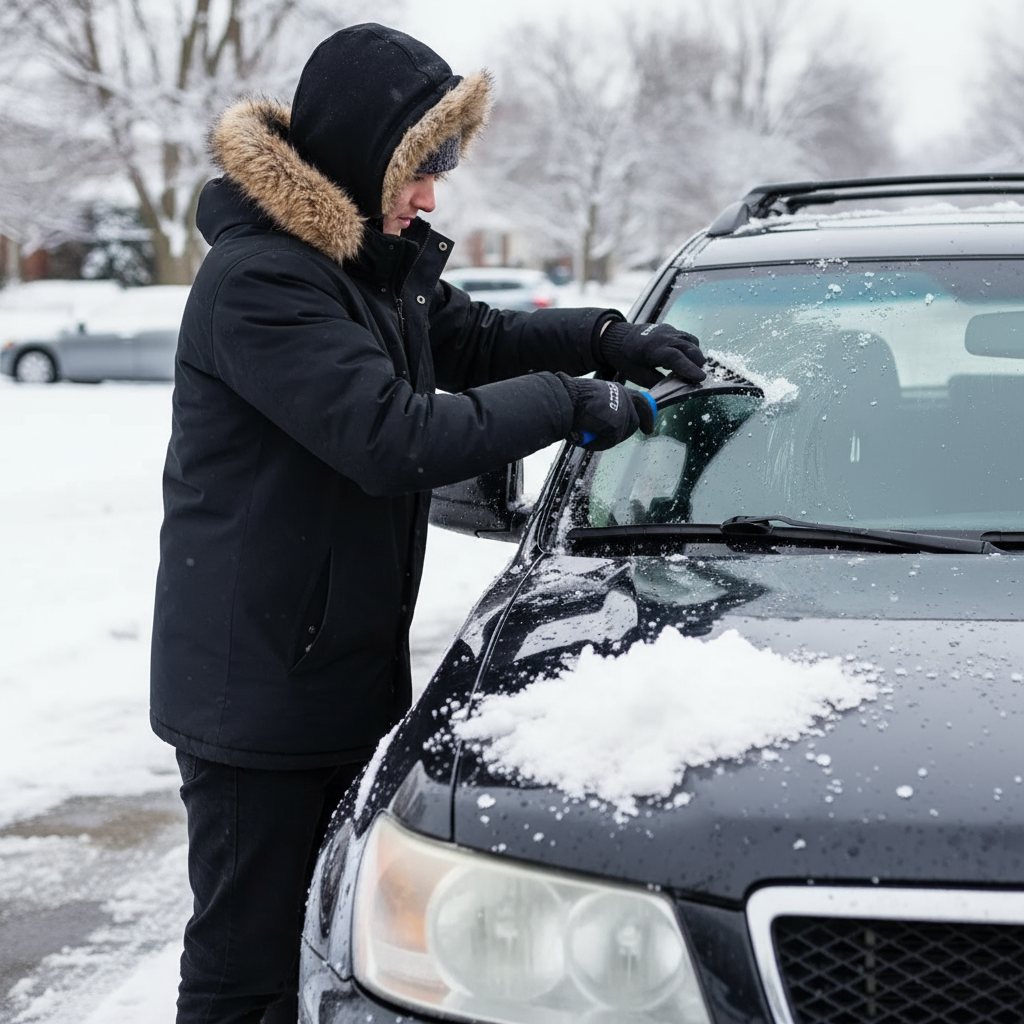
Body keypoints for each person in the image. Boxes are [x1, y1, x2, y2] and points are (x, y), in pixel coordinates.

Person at [150, 22, 705, 1024]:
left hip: (328, 668)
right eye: (422, 164)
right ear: (367, 153)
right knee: (246, 971)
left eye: (443, 163)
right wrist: (570, 401)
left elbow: (475, 335)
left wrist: (609, 339)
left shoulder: (361, 261)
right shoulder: (263, 283)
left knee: (330, 947)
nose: (432, 193)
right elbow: (390, 435)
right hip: (260, 695)